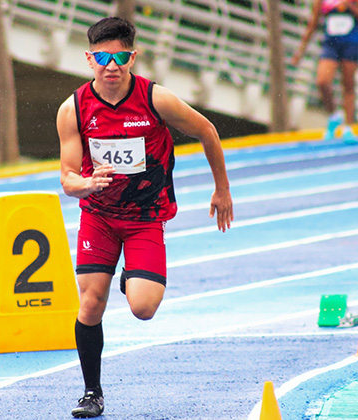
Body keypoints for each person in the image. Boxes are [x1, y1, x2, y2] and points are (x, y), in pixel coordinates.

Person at [56, 16, 234, 418]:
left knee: (143, 307)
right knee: (90, 303)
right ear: (89, 58)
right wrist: (85, 184)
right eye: (103, 57)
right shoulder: (74, 108)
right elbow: (67, 178)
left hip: (145, 218)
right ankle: (91, 392)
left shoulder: (156, 99)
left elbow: (207, 131)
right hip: (99, 217)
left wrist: (221, 189)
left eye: (120, 56)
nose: (112, 65)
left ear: (132, 57)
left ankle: (131, 274)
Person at [290, 0, 358, 143]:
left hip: (351, 41)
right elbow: (313, 23)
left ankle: (348, 127)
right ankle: (334, 115)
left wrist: (350, 6)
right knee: (322, 81)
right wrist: (300, 52)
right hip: (331, 43)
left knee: (348, 84)